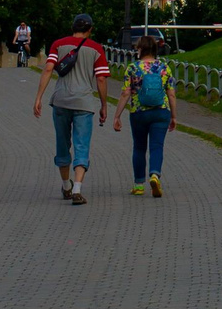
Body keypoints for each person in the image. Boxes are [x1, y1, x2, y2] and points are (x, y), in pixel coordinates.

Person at [31, 14, 108, 202]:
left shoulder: (58, 44)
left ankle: (66, 185)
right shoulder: (96, 49)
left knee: (62, 144)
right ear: (89, 30)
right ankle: (77, 189)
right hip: (84, 103)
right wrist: (104, 105)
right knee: (82, 145)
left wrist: (38, 97)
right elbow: (101, 78)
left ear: (72, 27)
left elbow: (49, 69)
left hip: (60, 101)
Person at [117, 32, 178, 197]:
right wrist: (173, 116)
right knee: (157, 146)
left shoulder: (132, 68)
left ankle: (138, 185)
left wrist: (117, 116)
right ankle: (154, 175)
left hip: (139, 113)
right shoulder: (164, 67)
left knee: (139, 147)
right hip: (161, 111)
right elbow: (171, 94)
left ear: (140, 49)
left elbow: (125, 93)